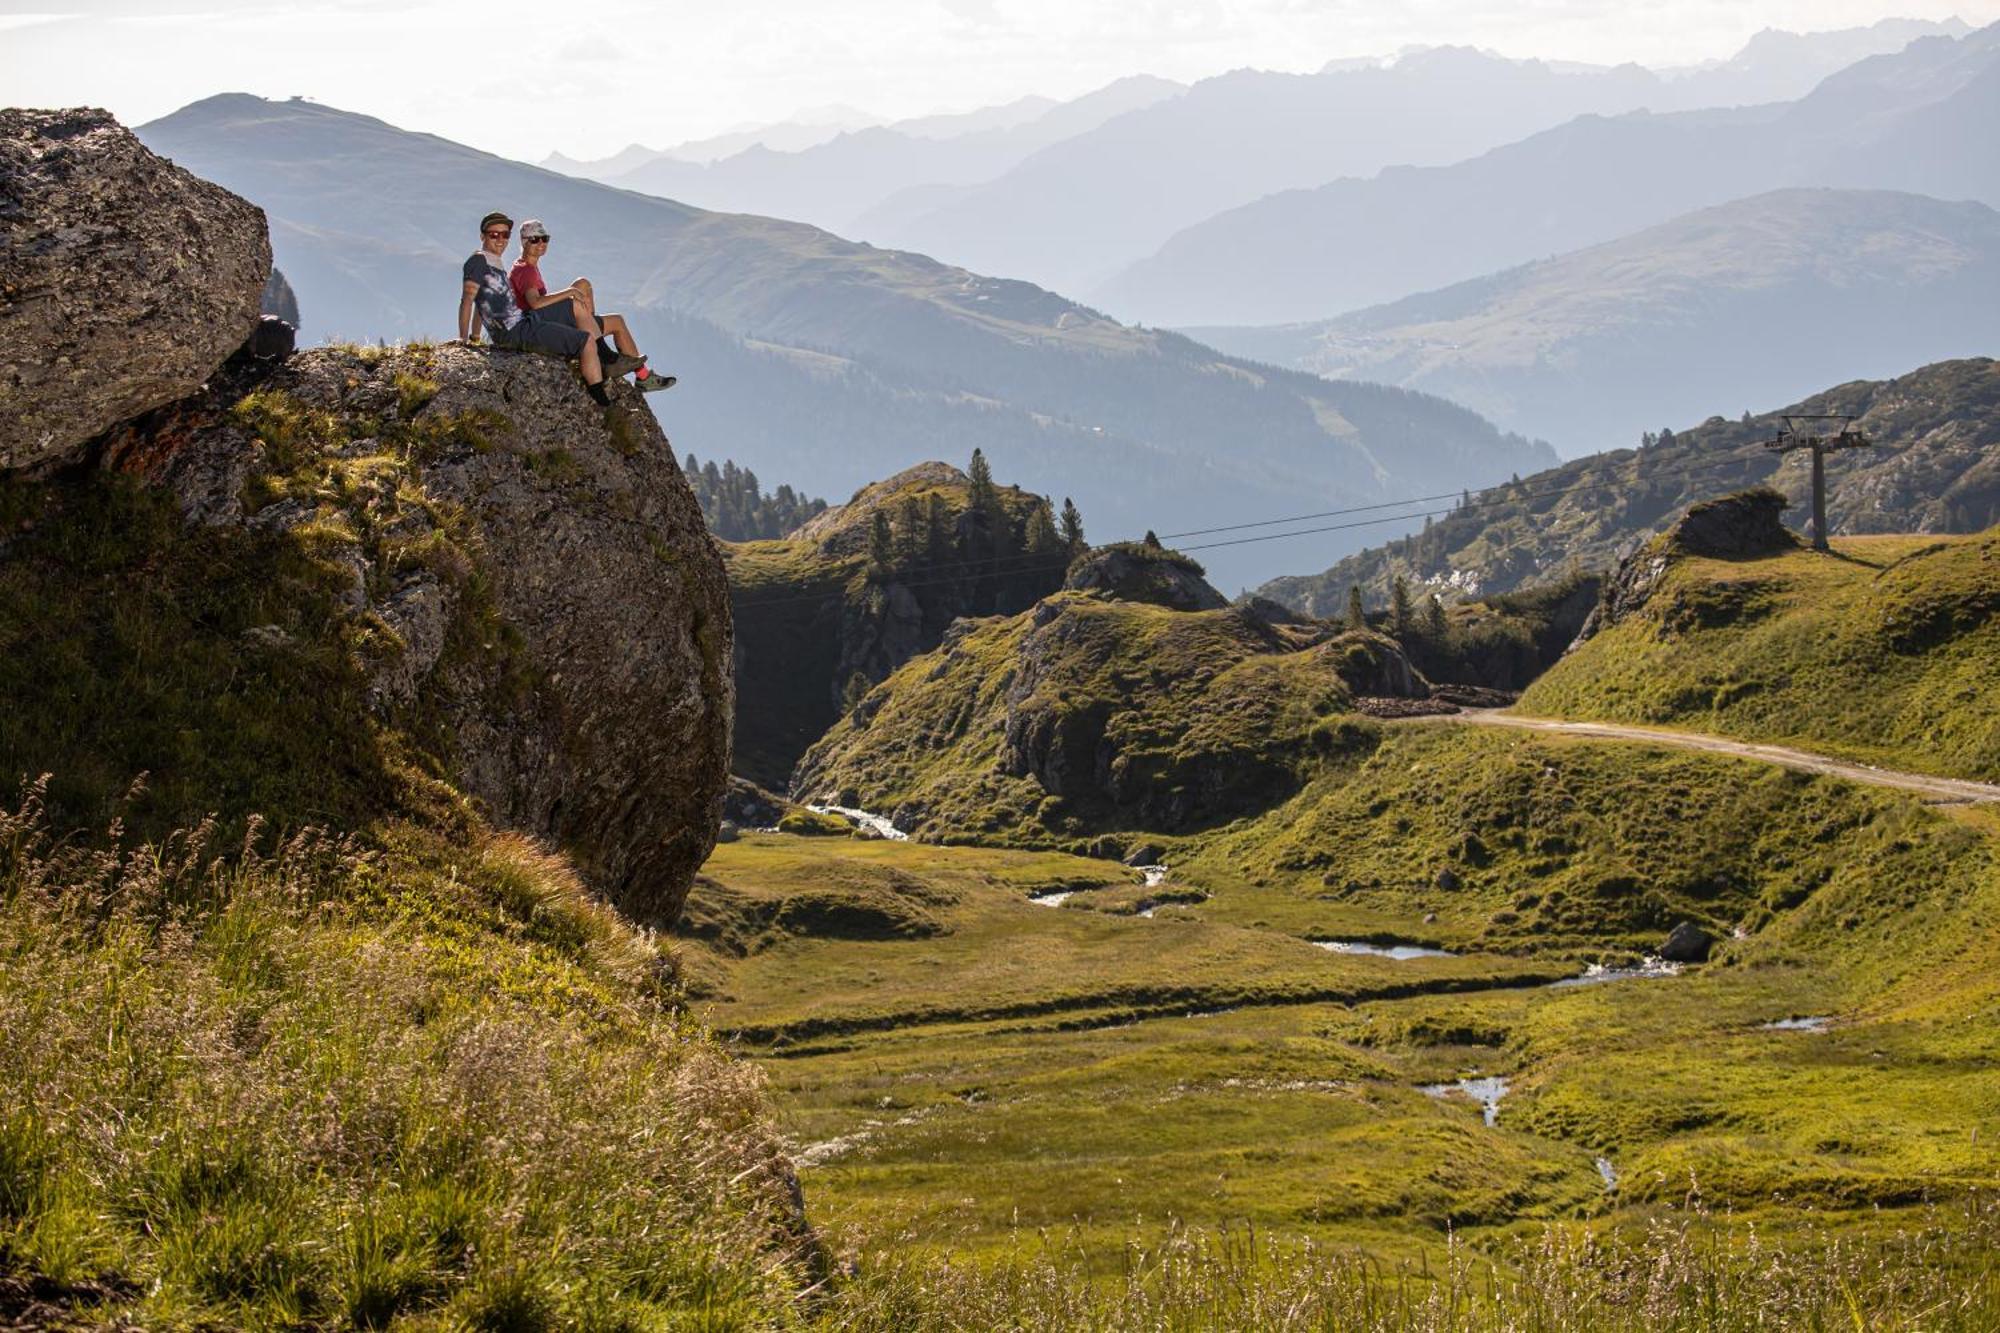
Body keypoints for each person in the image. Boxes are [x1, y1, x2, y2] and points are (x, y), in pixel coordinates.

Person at [457, 211, 668, 405]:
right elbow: (471, 300)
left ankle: (630, 368)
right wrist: (464, 340)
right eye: (495, 235)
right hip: (526, 324)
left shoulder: (497, 263)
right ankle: (606, 358)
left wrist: (476, 337)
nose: (501, 239)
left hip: (524, 323)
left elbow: (481, 302)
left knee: (588, 292)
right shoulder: (511, 267)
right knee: (579, 302)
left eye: (505, 235)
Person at [508, 219, 673, 394]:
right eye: (534, 239)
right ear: (524, 242)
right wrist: (568, 293)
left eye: (544, 238)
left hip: (546, 319)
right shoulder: (526, 271)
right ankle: (614, 360)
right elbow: (535, 303)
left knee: (590, 292)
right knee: (604, 311)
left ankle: (639, 373)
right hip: (539, 325)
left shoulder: (527, 267)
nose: (541, 243)